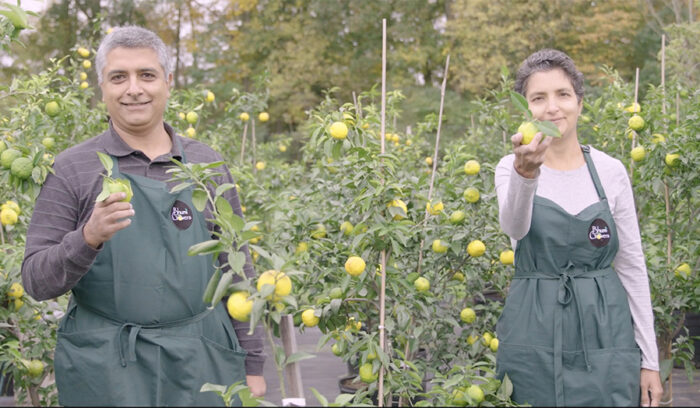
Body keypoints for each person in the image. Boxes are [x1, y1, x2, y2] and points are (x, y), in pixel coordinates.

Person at [21, 26, 266, 406]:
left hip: (200, 359)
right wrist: (87, 238)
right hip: (106, 365)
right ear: (101, 88)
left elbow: (237, 267)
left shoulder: (206, 165)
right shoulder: (73, 169)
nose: (133, 88)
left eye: (146, 75)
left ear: (168, 82)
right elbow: (36, 281)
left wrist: (253, 363)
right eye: (119, 77)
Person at [494, 49, 663, 406]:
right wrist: (526, 175)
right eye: (538, 98)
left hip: (604, 326)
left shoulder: (611, 170)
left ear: (579, 103)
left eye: (563, 94)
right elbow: (514, 229)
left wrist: (650, 360)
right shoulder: (511, 167)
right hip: (534, 322)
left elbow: (632, 266)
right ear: (526, 109)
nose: (552, 107)